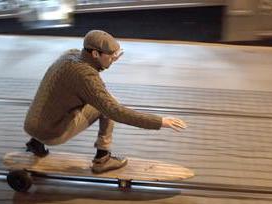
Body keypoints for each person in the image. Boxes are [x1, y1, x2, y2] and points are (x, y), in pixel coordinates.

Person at [24, 30, 187, 174]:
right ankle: (102, 159)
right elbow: (115, 111)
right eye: (111, 56)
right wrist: (160, 121)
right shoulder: (85, 77)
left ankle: (35, 144)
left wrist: (108, 58)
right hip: (52, 134)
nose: (114, 59)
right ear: (95, 54)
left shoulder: (70, 55)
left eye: (117, 54)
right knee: (108, 106)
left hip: (33, 124)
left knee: (64, 100)